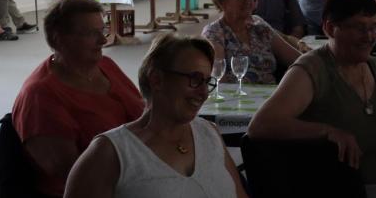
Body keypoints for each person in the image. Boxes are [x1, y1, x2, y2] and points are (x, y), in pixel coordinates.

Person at [249, 0, 376, 198]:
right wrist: (327, 131)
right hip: (347, 188)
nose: (370, 37)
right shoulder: (312, 69)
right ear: (330, 28)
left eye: (374, 28)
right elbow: (260, 125)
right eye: (360, 28)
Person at [63, 33, 246, 198]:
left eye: (207, 82)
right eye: (195, 79)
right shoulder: (110, 154)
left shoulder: (209, 133)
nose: (204, 93)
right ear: (156, 79)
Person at [11, 0, 145, 197]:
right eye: (91, 33)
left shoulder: (105, 66)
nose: (103, 40)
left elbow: (142, 113)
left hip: (135, 172)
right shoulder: (40, 96)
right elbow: (73, 173)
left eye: (102, 30)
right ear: (59, 38)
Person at [203, 0, 302, 84]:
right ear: (222, 1)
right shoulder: (214, 33)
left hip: (272, 96)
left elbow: (296, 58)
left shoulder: (259, 25)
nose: (248, 1)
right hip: (236, 98)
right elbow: (219, 80)